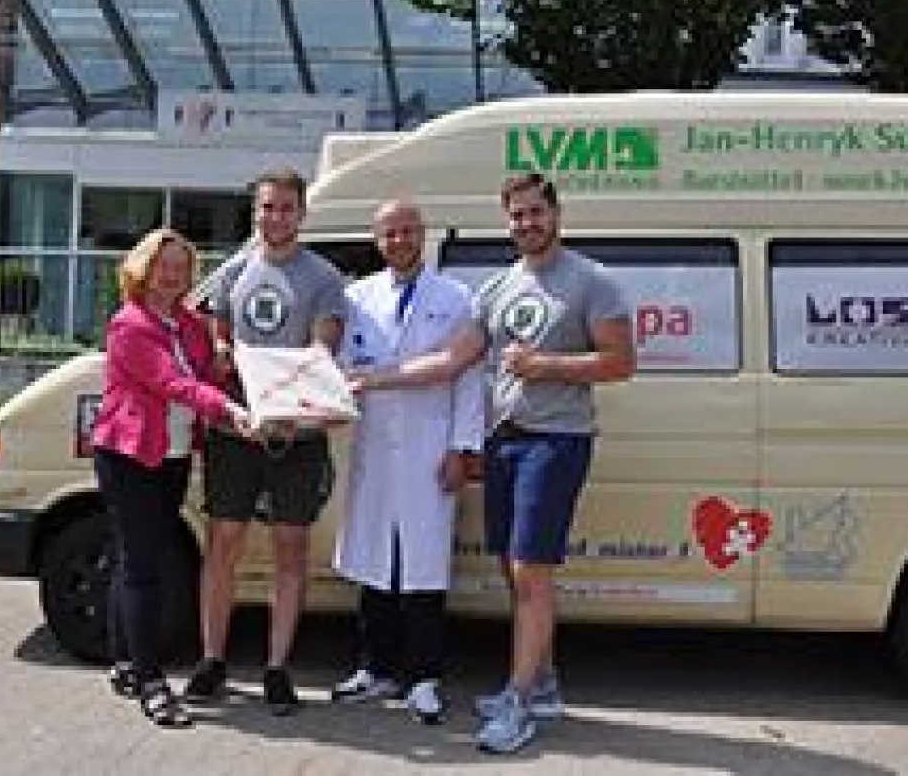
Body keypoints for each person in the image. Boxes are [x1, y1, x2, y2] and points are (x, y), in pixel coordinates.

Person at [350, 173, 636, 753]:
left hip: (556, 440)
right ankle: (544, 685)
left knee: (531, 572)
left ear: (555, 214)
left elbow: (621, 362)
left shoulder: (591, 281)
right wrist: (371, 379)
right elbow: (450, 362)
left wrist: (547, 365)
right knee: (516, 572)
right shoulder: (498, 288)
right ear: (506, 222)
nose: (527, 224)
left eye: (536, 213)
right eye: (517, 216)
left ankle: (520, 703)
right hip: (505, 441)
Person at [185, 168, 347, 715]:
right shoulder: (233, 270)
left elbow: (323, 352)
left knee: (290, 549)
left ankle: (277, 667)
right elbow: (218, 332)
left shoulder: (323, 277)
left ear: (301, 215)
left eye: (285, 208)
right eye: (266, 208)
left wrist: (285, 406)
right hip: (235, 431)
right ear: (254, 212)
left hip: (294, 437)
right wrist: (224, 350)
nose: (275, 217)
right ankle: (212, 661)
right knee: (223, 542)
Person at [330, 199, 484, 725]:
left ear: (424, 235)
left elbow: (468, 378)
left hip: (428, 447)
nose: (398, 240)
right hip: (374, 446)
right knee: (374, 560)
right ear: (377, 241)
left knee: (422, 566)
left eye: (407, 231)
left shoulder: (456, 297)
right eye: (389, 233)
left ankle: (424, 677)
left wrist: (463, 447)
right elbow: (341, 371)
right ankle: (375, 668)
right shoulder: (357, 299)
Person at [91, 228, 251, 728]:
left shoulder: (188, 323)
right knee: (143, 568)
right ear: (144, 269)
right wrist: (227, 408)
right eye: (165, 266)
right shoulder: (129, 325)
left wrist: (226, 363)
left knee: (136, 556)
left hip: (174, 453)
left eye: (183, 267)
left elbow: (206, 372)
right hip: (131, 456)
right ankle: (152, 683)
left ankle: (124, 661)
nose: (174, 276)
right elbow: (174, 383)